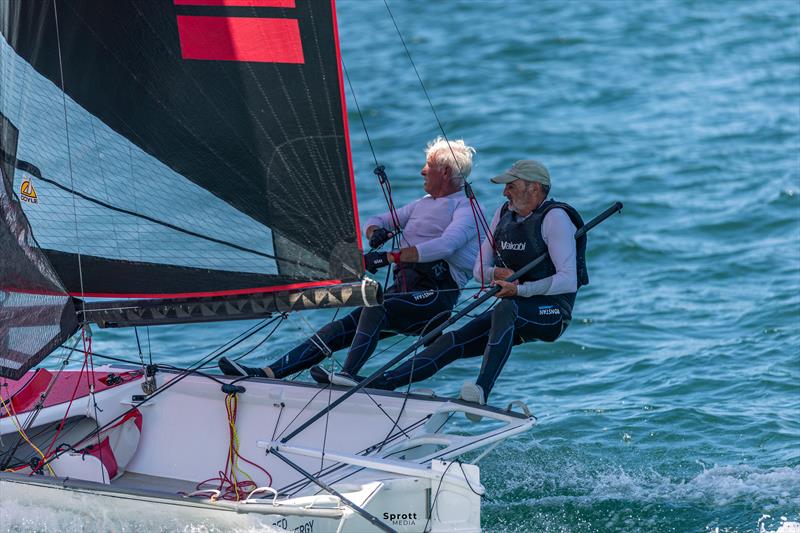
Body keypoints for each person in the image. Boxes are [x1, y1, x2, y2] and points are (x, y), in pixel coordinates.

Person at [219, 137, 480, 385]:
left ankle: (347, 375)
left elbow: (446, 245)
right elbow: (377, 220)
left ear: (445, 172)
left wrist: (389, 257)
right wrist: (375, 232)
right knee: (340, 328)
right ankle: (269, 373)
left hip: (434, 299)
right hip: (403, 293)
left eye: (429, 166)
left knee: (376, 306)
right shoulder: (422, 204)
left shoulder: (466, 208)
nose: (423, 171)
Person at [369, 159, 588, 412]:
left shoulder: (555, 218)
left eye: (511, 186)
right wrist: (496, 272)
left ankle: (481, 391)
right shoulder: (503, 214)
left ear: (535, 188)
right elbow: (478, 271)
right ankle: (383, 383)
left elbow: (568, 280)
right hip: (511, 311)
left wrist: (520, 290)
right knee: (452, 341)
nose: (505, 192)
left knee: (506, 308)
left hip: (552, 312)